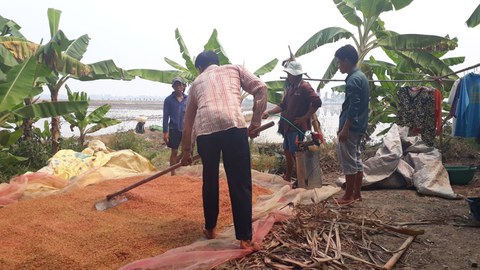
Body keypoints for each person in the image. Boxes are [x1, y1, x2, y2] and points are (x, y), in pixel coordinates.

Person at [180, 50, 267, 250]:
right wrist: (255, 121)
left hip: (206, 133)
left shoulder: (196, 84)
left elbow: (188, 123)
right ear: (217, 63)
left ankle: (210, 229)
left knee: (209, 180)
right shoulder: (234, 69)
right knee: (240, 182)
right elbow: (261, 88)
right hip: (234, 127)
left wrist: (186, 151)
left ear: (199, 68)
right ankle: (245, 238)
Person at [262, 60, 322, 184]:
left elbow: (317, 102)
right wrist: (269, 112)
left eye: (289, 74)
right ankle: (288, 177)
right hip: (288, 127)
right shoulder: (291, 88)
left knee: (298, 154)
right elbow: (283, 105)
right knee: (288, 152)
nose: (288, 76)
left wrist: (305, 117)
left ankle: (303, 179)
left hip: (298, 128)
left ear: (295, 75)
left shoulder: (305, 87)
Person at [334, 44, 370, 205]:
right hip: (359, 125)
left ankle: (348, 196)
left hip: (352, 127)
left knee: (349, 161)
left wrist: (345, 128)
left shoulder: (353, 80)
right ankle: (356, 194)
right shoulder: (361, 76)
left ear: (347, 60)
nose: (339, 66)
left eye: (340, 62)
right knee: (356, 159)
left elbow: (354, 106)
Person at [163, 76, 187, 175]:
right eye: (176, 85)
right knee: (174, 151)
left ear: (183, 86)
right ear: (173, 87)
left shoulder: (188, 99)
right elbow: (165, 116)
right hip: (174, 129)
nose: (178, 87)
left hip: (186, 129)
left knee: (186, 151)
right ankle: (173, 172)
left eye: (179, 85)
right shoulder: (168, 100)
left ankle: (175, 163)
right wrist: (165, 132)